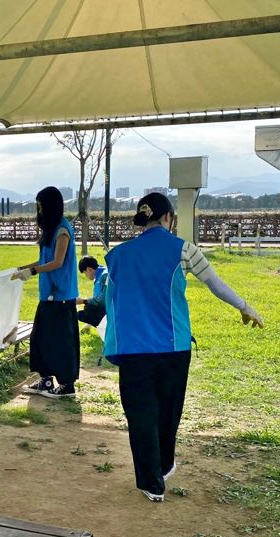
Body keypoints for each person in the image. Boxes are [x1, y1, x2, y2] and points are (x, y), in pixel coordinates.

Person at [104, 193, 263, 502]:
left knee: (140, 415)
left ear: (143, 221)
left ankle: (152, 483)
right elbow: (215, 284)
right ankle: (163, 465)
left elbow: (112, 301)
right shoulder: (185, 250)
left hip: (134, 349)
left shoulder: (118, 256)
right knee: (168, 411)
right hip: (173, 348)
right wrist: (244, 307)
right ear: (169, 219)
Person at [13, 186, 79, 398]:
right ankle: (46, 380)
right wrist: (24, 268)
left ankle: (66, 385)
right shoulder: (51, 230)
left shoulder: (62, 230)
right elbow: (45, 261)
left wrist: (32, 271)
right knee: (42, 338)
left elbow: (57, 262)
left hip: (60, 296)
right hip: (49, 295)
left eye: (41, 207)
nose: (39, 212)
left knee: (61, 341)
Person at [76, 255, 108, 328]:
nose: (86, 276)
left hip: (112, 309)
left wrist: (83, 301)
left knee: (89, 308)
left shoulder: (104, 276)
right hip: (108, 309)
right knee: (88, 308)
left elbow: (103, 301)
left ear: (89, 269)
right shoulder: (100, 275)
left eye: (85, 273)